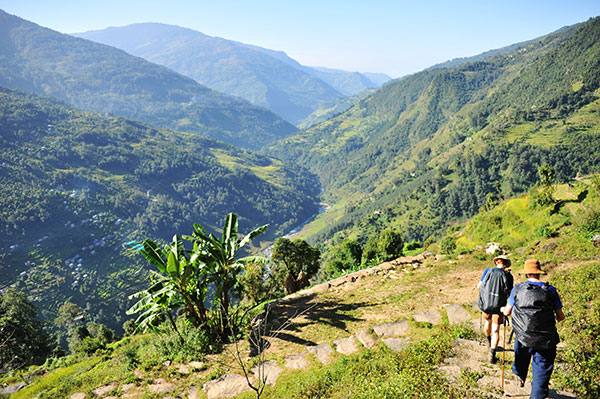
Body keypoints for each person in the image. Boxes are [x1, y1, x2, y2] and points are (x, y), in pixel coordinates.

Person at [501, 259, 566, 399]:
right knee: (542, 370)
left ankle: (519, 375)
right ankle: (537, 394)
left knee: (521, 356)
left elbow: (507, 312)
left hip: (523, 336)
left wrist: (502, 309)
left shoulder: (517, 289)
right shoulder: (550, 290)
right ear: (539, 274)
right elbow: (561, 316)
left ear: (526, 274)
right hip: (546, 340)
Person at [477, 254, 513, 363]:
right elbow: (510, 293)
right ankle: (492, 353)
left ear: (497, 262)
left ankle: (488, 341)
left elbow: (479, 286)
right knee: (496, 329)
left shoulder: (488, 270)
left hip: (487, 304)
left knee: (487, 322)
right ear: (506, 264)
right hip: (499, 305)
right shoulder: (508, 276)